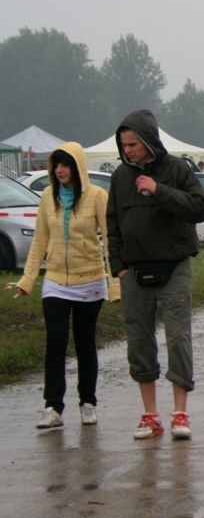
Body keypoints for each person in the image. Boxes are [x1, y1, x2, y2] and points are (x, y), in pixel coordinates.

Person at [106, 109, 204, 440]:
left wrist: (159, 190)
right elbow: (112, 224)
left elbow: (200, 208)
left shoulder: (177, 169)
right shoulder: (120, 177)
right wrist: (118, 266)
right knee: (138, 342)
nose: (128, 151)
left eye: (133, 144)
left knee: (178, 338)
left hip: (174, 267)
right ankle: (150, 415)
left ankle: (180, 412)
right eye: (124, 145)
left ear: (149, 141)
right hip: (134, 271)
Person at [17, 142, 120, 429]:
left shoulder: (97, 196)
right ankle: (53, 407)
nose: (60, 170)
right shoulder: (47, 196)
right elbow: (40, 241)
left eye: (65, 165)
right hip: (55, 282)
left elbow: (111, 240)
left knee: (85, 343)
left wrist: (115, 285)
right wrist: (27, 279)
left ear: (77, 167)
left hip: (89, 280)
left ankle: (88, 403)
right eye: (56, 166)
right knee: (55, 343)